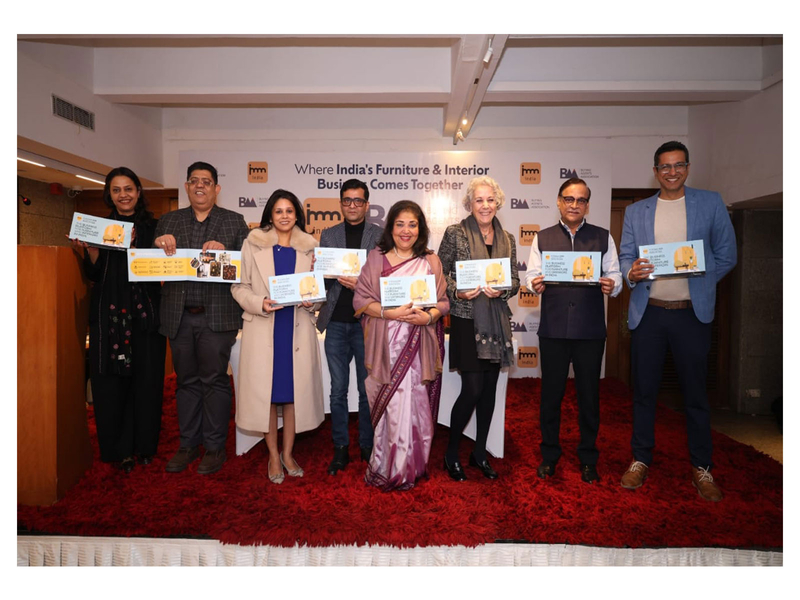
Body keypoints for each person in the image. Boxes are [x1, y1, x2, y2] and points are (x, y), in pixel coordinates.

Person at [619, 141, 736, 501]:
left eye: (678, 165)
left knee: (696, 395)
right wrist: (631, 273)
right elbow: (625, 256)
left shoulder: (710, 203)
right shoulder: (636, 211)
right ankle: (640, 459)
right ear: (655, 171)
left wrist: (700, 277)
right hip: (649, 313)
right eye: (665, 166)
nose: (672, 172)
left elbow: (727, 254)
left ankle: (702, 467)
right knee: (644, 392)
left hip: (691, 313)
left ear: (687, 167)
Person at [154, 161, 250, 475]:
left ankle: (214, 446)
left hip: (217, 318)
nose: (199, 186)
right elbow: (151, 265)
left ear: (216, 188)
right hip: (178, 316)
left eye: (206, 181)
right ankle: (187, 444)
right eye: (194, 180)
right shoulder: (168, 221)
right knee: (185, 382)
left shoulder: (234, 222)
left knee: (214, 381)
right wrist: (157, 246)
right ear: (186, 187)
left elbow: (247, 268)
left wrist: (226, 254)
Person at [525, 178, 622, 484]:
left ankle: (588, 458)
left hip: (589, 330)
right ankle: (549, 455)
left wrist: (613, 284)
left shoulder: (603, 237)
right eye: (569, 199)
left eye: (581, 200)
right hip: (553, 329)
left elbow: (616, 275)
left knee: (589, 398)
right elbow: (531, 275)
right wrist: (534, 284)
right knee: (550, 397)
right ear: (559, 201)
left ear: (587, 205)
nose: (574, 205)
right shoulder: (542, 237)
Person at [71, 167, 166, 474]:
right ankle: (120, 449)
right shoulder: (98, 228)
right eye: (116, 190)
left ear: (138, 192)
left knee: (147, 382)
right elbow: (95, 274)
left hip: (146, 316)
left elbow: (163, 268)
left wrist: (145, 250)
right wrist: (92, 251)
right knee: (113, 385)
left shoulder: (156, 228)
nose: (123, 195)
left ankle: (145, 446)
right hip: (110, 319)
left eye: (128, 189)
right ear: (109, 195)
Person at [353, 200, 449, 491]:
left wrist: (428, 317)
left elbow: (443, 302)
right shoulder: (376, 258)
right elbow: (361, 300)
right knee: (392, 407)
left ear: (421, 229)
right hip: (385, 348)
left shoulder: (430, 261)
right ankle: (387, 466)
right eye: (400, 224)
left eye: (412, 224)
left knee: (415, 405)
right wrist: (389, 313)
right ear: (390, 227)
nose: (406, 231)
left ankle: (412, 466)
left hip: (418, 348)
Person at [231, 190, 325, 484]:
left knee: (293, 394)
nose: (284, 216)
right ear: (270, 215)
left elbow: (318, 291)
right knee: (267, 397)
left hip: (296, 328)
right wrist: (259, 302)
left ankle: (288, 453)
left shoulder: (311, 248)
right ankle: (273, 455)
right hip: (264, 326)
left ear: (297, 215)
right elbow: (239, 286)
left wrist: (312, 301)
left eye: (289, 211)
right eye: (278, 211)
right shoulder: (252, 243)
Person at [437, 176, 519, 481]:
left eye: (490, 200)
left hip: (496, 321)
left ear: (498, 203)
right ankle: (451, 453)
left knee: (489, 392)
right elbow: (440, 272)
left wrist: (504, 289)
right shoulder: (455, 233)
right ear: (469, 204)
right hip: (466, 320)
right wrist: (458, 291)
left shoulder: (508, 238)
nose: (485, 206)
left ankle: (480, 453)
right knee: (472, 389)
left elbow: (514, 279)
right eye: (479, 200)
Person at [316, 179, 384, 475]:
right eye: (347, 200)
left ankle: (367, 445)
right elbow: (321, 277)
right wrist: (322, 271)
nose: (352, 205)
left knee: (366, 390)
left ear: (367, 204)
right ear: (341, 204)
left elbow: (387, 279)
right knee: (338, 390)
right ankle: (341, 447)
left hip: (366, 322)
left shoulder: (380, 236)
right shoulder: (328, 234)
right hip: (336, 322)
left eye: (358, 200)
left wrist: (362, 284)